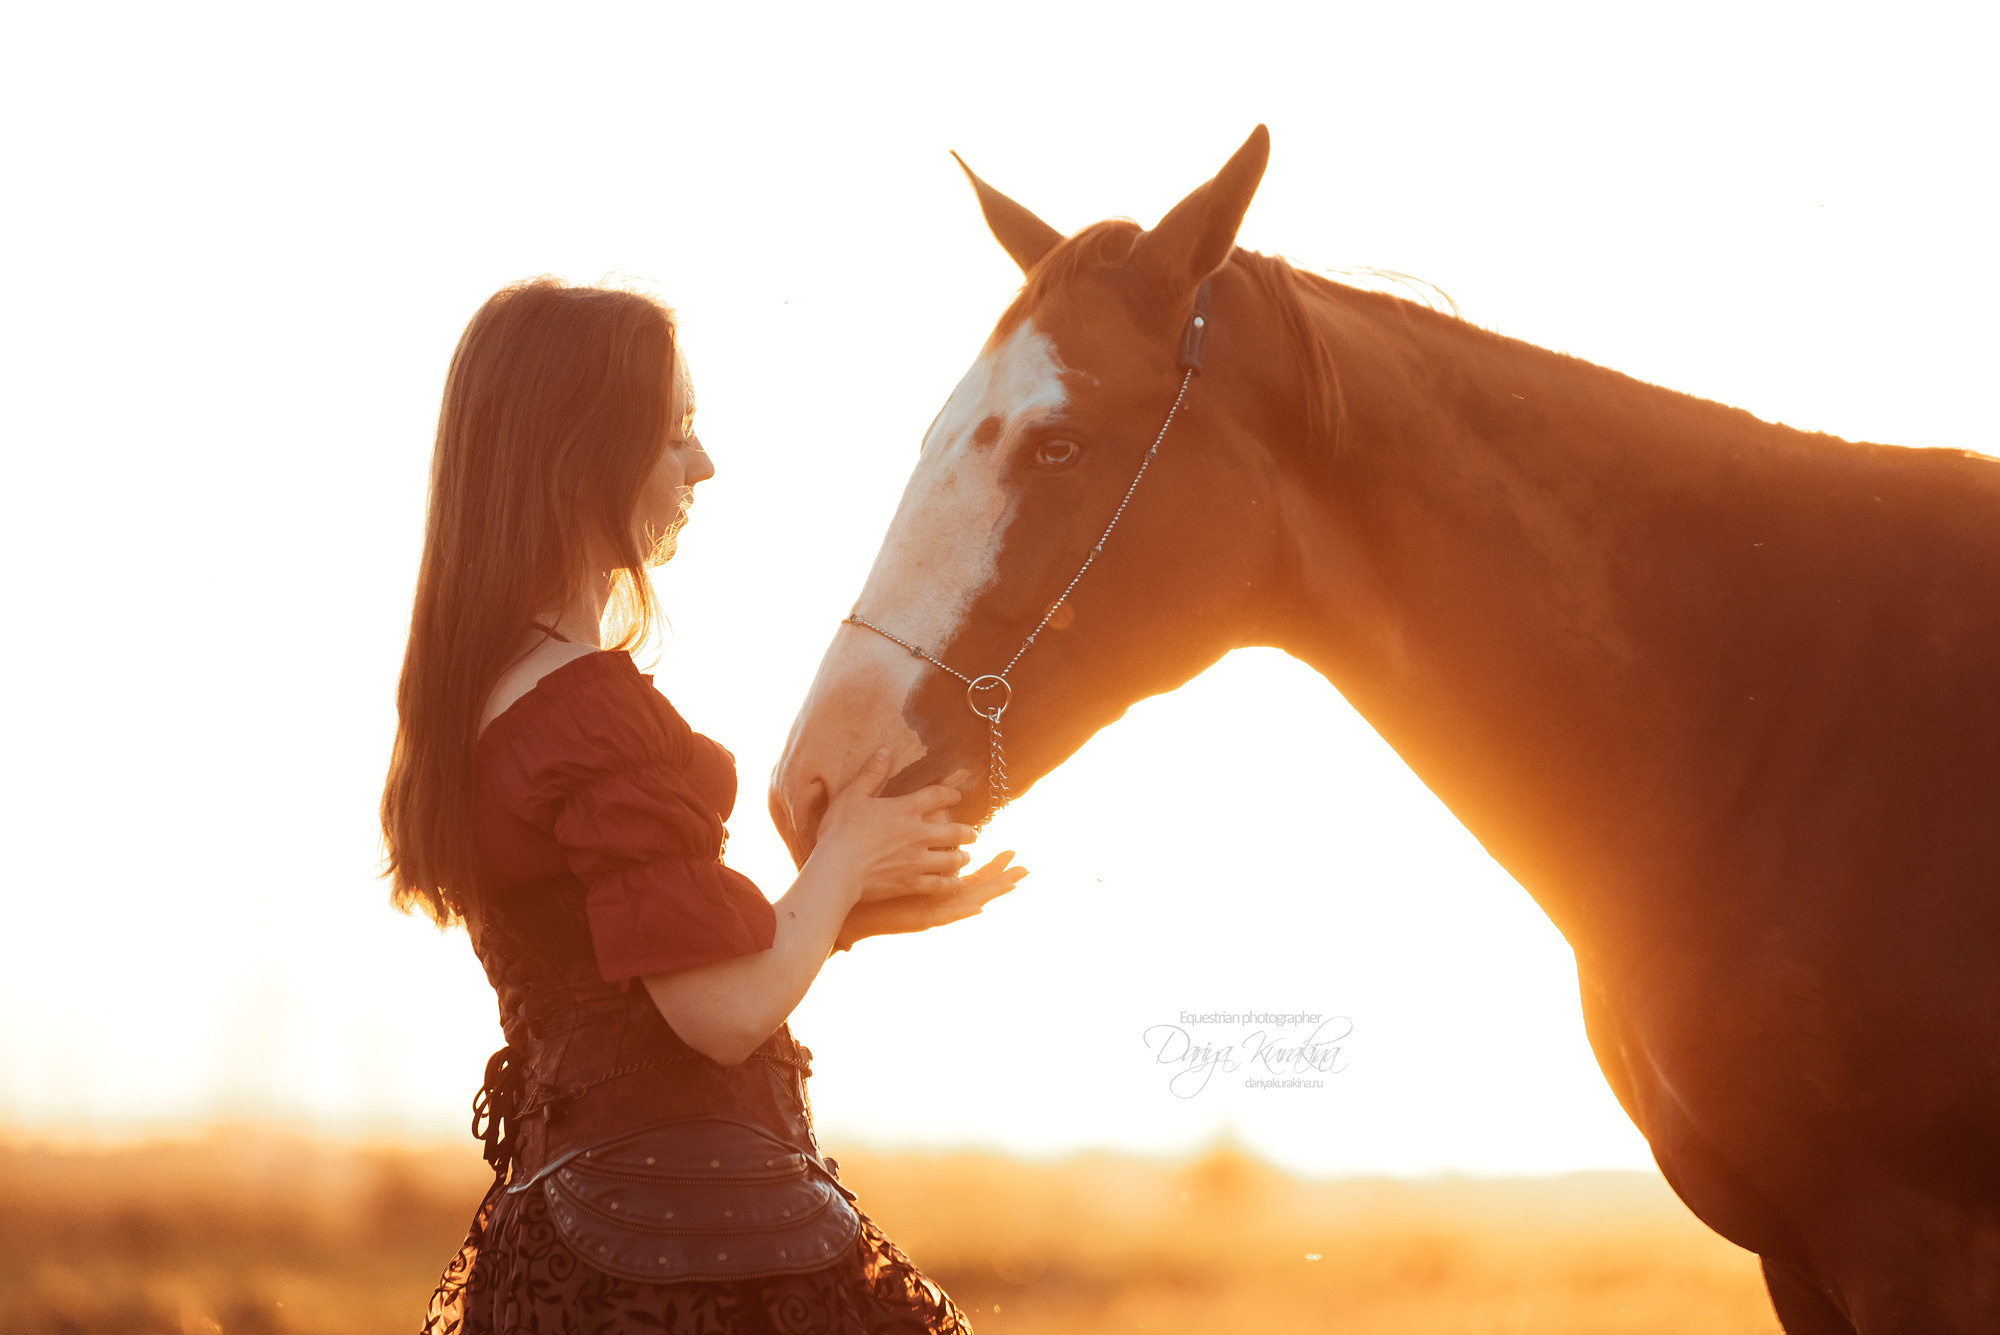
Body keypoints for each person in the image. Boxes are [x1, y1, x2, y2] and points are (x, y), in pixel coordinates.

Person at [380, 278, 1024, 1334]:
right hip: (689, 1254)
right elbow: (717, 1021)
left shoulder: (485, 698)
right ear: (576, 453)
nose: (703, 462)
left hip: (571, 1242)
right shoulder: (584, 712)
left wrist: (842, 915)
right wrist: (842, 864)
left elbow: (628, 985)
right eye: (673, 428)